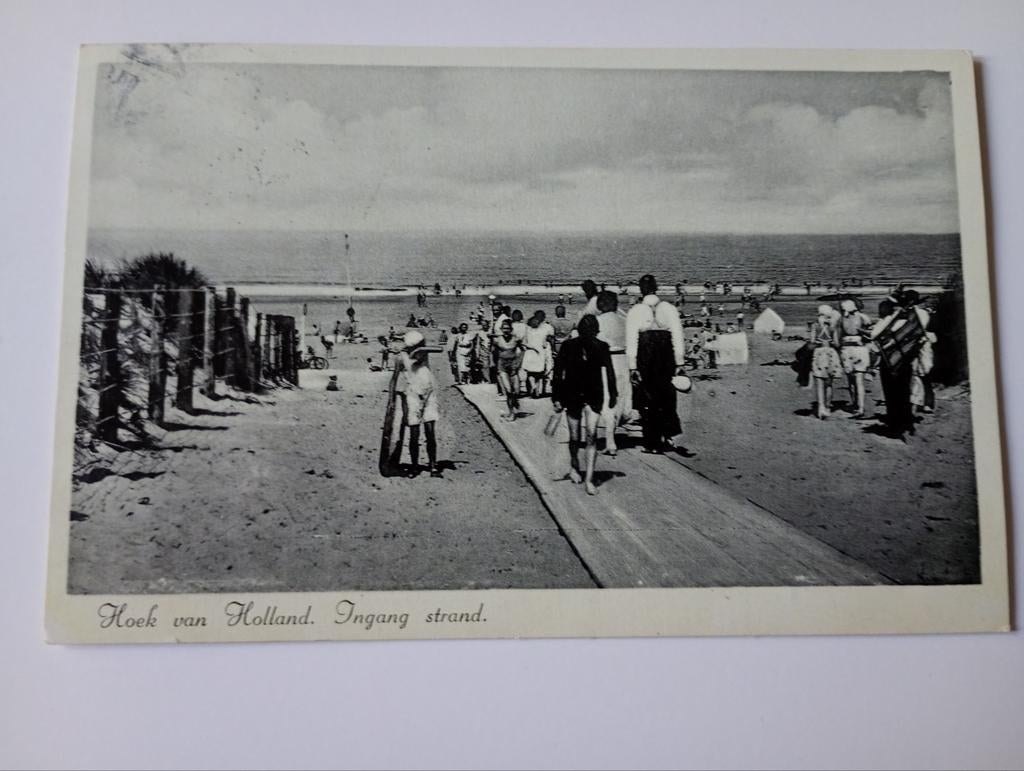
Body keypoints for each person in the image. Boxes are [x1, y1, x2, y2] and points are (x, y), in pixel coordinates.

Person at [551, 314, 617, 495]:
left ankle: (588, 479)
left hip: (592, 395)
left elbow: (610, 372)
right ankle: (574, 466)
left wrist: (613, 393)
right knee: (575, 437)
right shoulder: (569, 346)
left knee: (591, 436)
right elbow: (558, 373)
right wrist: (556, 397)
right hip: (572, 395)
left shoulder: (601, 347)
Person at [625, 274, 687, 454]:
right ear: (656, 288)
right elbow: (677, 335)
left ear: (641, 289)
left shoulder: (636, 310)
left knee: (648, 397)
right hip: (665, 353)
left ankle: (652, 442)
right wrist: (679, 362)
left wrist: (632, 366)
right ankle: (668, 435)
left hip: (646, 353)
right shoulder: (668, 307)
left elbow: (631, 339)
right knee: (667, 394)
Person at [870, 298, 917, 438]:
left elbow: (875, 339)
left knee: (891, 395)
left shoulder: (886, 323)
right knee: (904, 392)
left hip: (889, 362)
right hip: (905, 361)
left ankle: (895, 427)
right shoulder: (907, 322)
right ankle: (908, 424)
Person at [398, 331, 441, 478]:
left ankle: (433, 466)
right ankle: (414, 466)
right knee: (414, 433)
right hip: (413, 395)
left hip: (428, 394)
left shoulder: (424, 354)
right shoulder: (401, 358)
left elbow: (434, 349)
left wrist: (419, 348)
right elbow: (395, 378)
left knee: (430, 432)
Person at [595, 290, 632, 456]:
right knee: (620, 398)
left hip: (607, 362)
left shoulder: (599, 321)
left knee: (607, 400)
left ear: (601, 304)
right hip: (624, 361)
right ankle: (613, 436)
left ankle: (610, 442)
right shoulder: (624, 320)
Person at [838, 298, 872, 418]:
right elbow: (870, 335)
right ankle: (860, 407)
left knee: (851, 380)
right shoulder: (863, 317)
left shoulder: (841, 319)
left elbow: (838, 336)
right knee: (859, 380)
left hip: (847, 350)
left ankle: (856, 405)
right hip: (860, 349)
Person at [809, 304, 842, 419]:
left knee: (819, 383)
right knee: (829, 383)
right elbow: (837, 344)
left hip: (819, 354)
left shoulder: (815, 326)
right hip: (831, 354)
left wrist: (820, 340)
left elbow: (812, 341)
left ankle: (820, 407)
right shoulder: (833, 327)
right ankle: (828, 407)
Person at [493, 319, 523, 420]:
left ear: (511, 329)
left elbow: (523, 351)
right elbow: (493, 352)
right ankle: (511, 413)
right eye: (504, 328)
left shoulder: (516, 339)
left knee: (517, 391)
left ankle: (515, 401)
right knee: (509, 390)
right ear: (501, 329)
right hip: (502, 366)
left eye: (508, 328)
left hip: (513, 366)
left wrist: (518, 363)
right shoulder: (497, 340)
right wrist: (494, 363)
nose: (506, 331)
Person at [521, 314, 550, 397]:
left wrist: (532, 347)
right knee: (539, 374)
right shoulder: (543, 332)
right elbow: (544, 344)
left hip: (530, 353)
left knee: (530, 373)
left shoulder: (527, 331)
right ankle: (537, 392)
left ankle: (533, 386)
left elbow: (524, 343)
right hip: (540, 353)